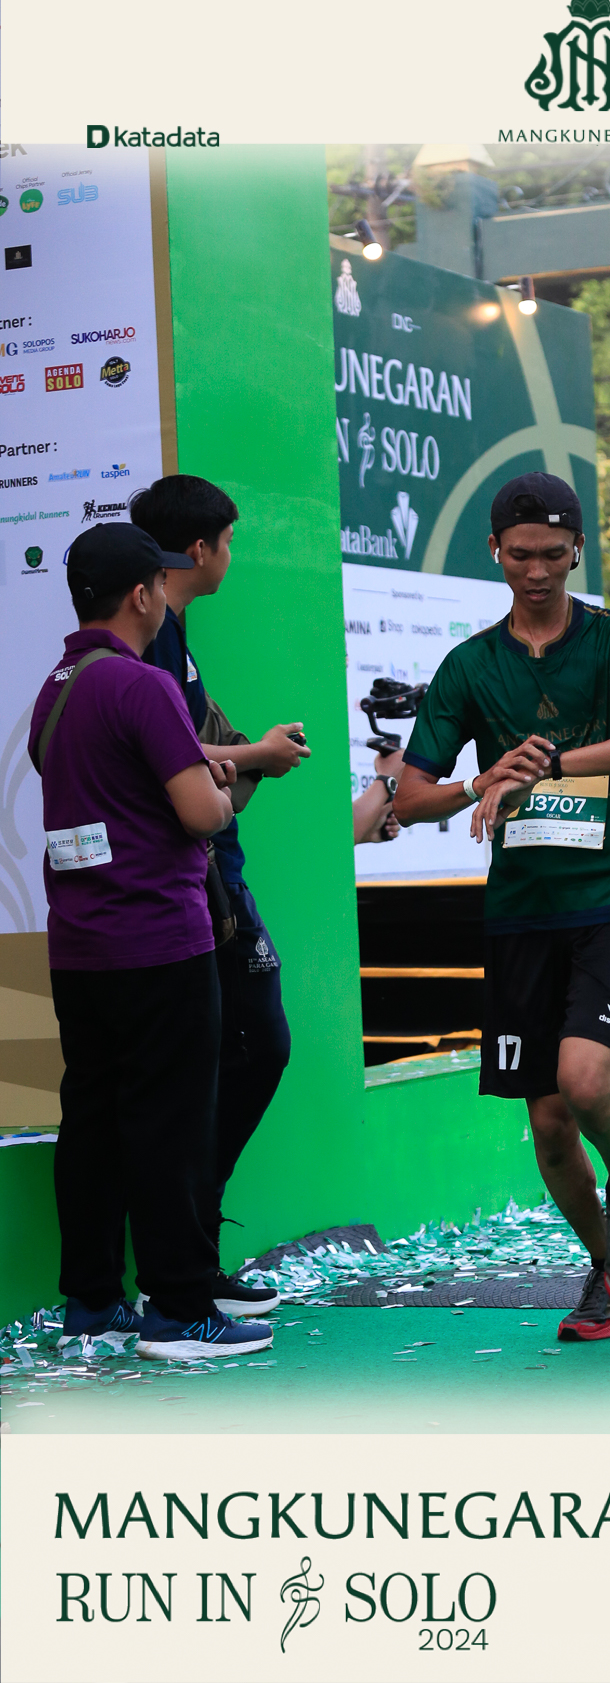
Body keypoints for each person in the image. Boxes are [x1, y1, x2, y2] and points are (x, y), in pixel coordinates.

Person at [393, 472, 610, 1342]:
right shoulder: (470, 665)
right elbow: (410, 799)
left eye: (554, 555)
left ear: (576, 551)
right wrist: (480, 781)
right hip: (522, 910)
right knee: (550, 1125)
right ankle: (609, 1270)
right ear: (494, 550)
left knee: (585, 1080)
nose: (536, 571)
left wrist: (553, 765)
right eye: (520, 555)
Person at [29, 523, 273, 1361]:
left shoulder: (56, 685)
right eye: (162, 585)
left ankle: (93, 1301)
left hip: (80, 947)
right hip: (160, 941)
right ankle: (180, 1309)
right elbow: (202, 814)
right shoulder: (141, 684)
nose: (168, 596)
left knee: (92, 1120)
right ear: (143, 594)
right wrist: (228, 783)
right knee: (172, 1125)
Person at [133, 475, 308, 1319]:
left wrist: (246, 756)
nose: (231, 555)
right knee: (240, 1051)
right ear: (199, 548)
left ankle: (193, 1253)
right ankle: (180, 1270)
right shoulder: (150, 637)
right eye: (230, 541)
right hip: (195, 889)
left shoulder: (176, 633)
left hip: (213, 877)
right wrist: (254, 759)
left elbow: (199, 744)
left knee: (253, 1048)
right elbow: (171, 758)